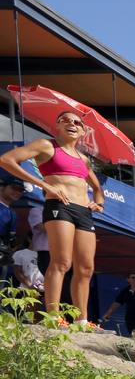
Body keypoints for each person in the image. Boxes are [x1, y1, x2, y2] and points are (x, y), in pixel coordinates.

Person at [0, 112, 105, 324]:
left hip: (84, 211)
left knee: (86, 267)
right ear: (56, 125)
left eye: (77, 122)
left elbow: (97, 188)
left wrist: (99, 202)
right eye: (65, 119)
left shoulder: (83, 159)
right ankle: (53, 317)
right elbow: (6, 160)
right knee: (62, 262)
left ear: (83, 131)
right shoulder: (46, 145)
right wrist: (45, 185)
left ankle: (82, 321)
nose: (72, 124)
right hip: (59, 206)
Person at [101, 272, 135, 338]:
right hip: (130, 318)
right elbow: (117, 303)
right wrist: (107, 314)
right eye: (133, 277)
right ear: (128, 280)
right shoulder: (125, 291)